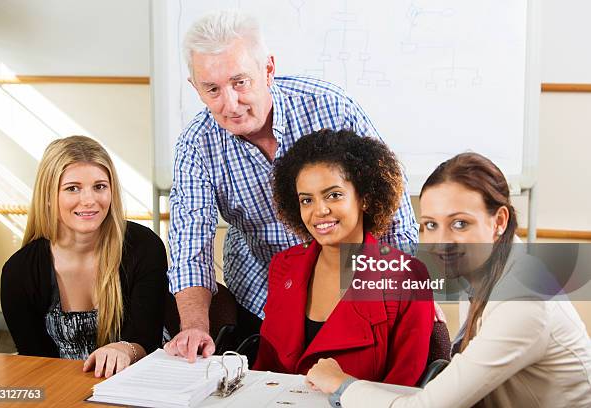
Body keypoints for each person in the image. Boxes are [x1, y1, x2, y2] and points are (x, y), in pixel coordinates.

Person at [165, 9, 418, 362]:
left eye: (240, 82)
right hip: (264, 290)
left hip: (355, 285)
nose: (231, 104)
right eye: (213, 90)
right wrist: (194, 326)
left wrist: (400, 300)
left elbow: (392, 216)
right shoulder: (196, 144)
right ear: (196, 88)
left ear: (268, 69)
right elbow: (190, 245)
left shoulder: (329, 107)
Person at [306, 152, 591, 407]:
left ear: (499, 221)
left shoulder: (523, 300)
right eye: (430, 224)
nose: (440, 242)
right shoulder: (487, 268)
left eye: (460, 223)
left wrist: (341, 384)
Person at [252, 130, 435, 386]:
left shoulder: (407, 277)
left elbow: (403, 388)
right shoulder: (284, 266)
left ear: (365, 198)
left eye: (334, 195)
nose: (320, 210)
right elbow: (264, 371)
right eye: (307, 200)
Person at [1, 136, 172, 378]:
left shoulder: (144, 246)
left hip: (144, 377)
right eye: (73, 188)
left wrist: (125, 349)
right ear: (48, 195)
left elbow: (148, 337)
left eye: (100, 186)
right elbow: (35, 361)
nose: (90, 200)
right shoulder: (19, 272)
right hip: (64, 387)